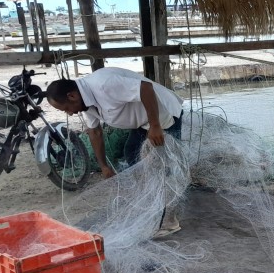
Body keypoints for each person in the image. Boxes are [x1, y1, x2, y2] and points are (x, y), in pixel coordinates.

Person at [46, 67, 184, 238]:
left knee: (164, 167)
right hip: (142, 122)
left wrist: (155, 126)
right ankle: (152, 202)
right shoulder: (85, 102)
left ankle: (170, 221)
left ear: (72, 96)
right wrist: (104, 166)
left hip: (162, 114)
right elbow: (95, 132)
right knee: (132, 152)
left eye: (66, 108)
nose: (70, 113)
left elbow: (145, 88)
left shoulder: (104, 84)